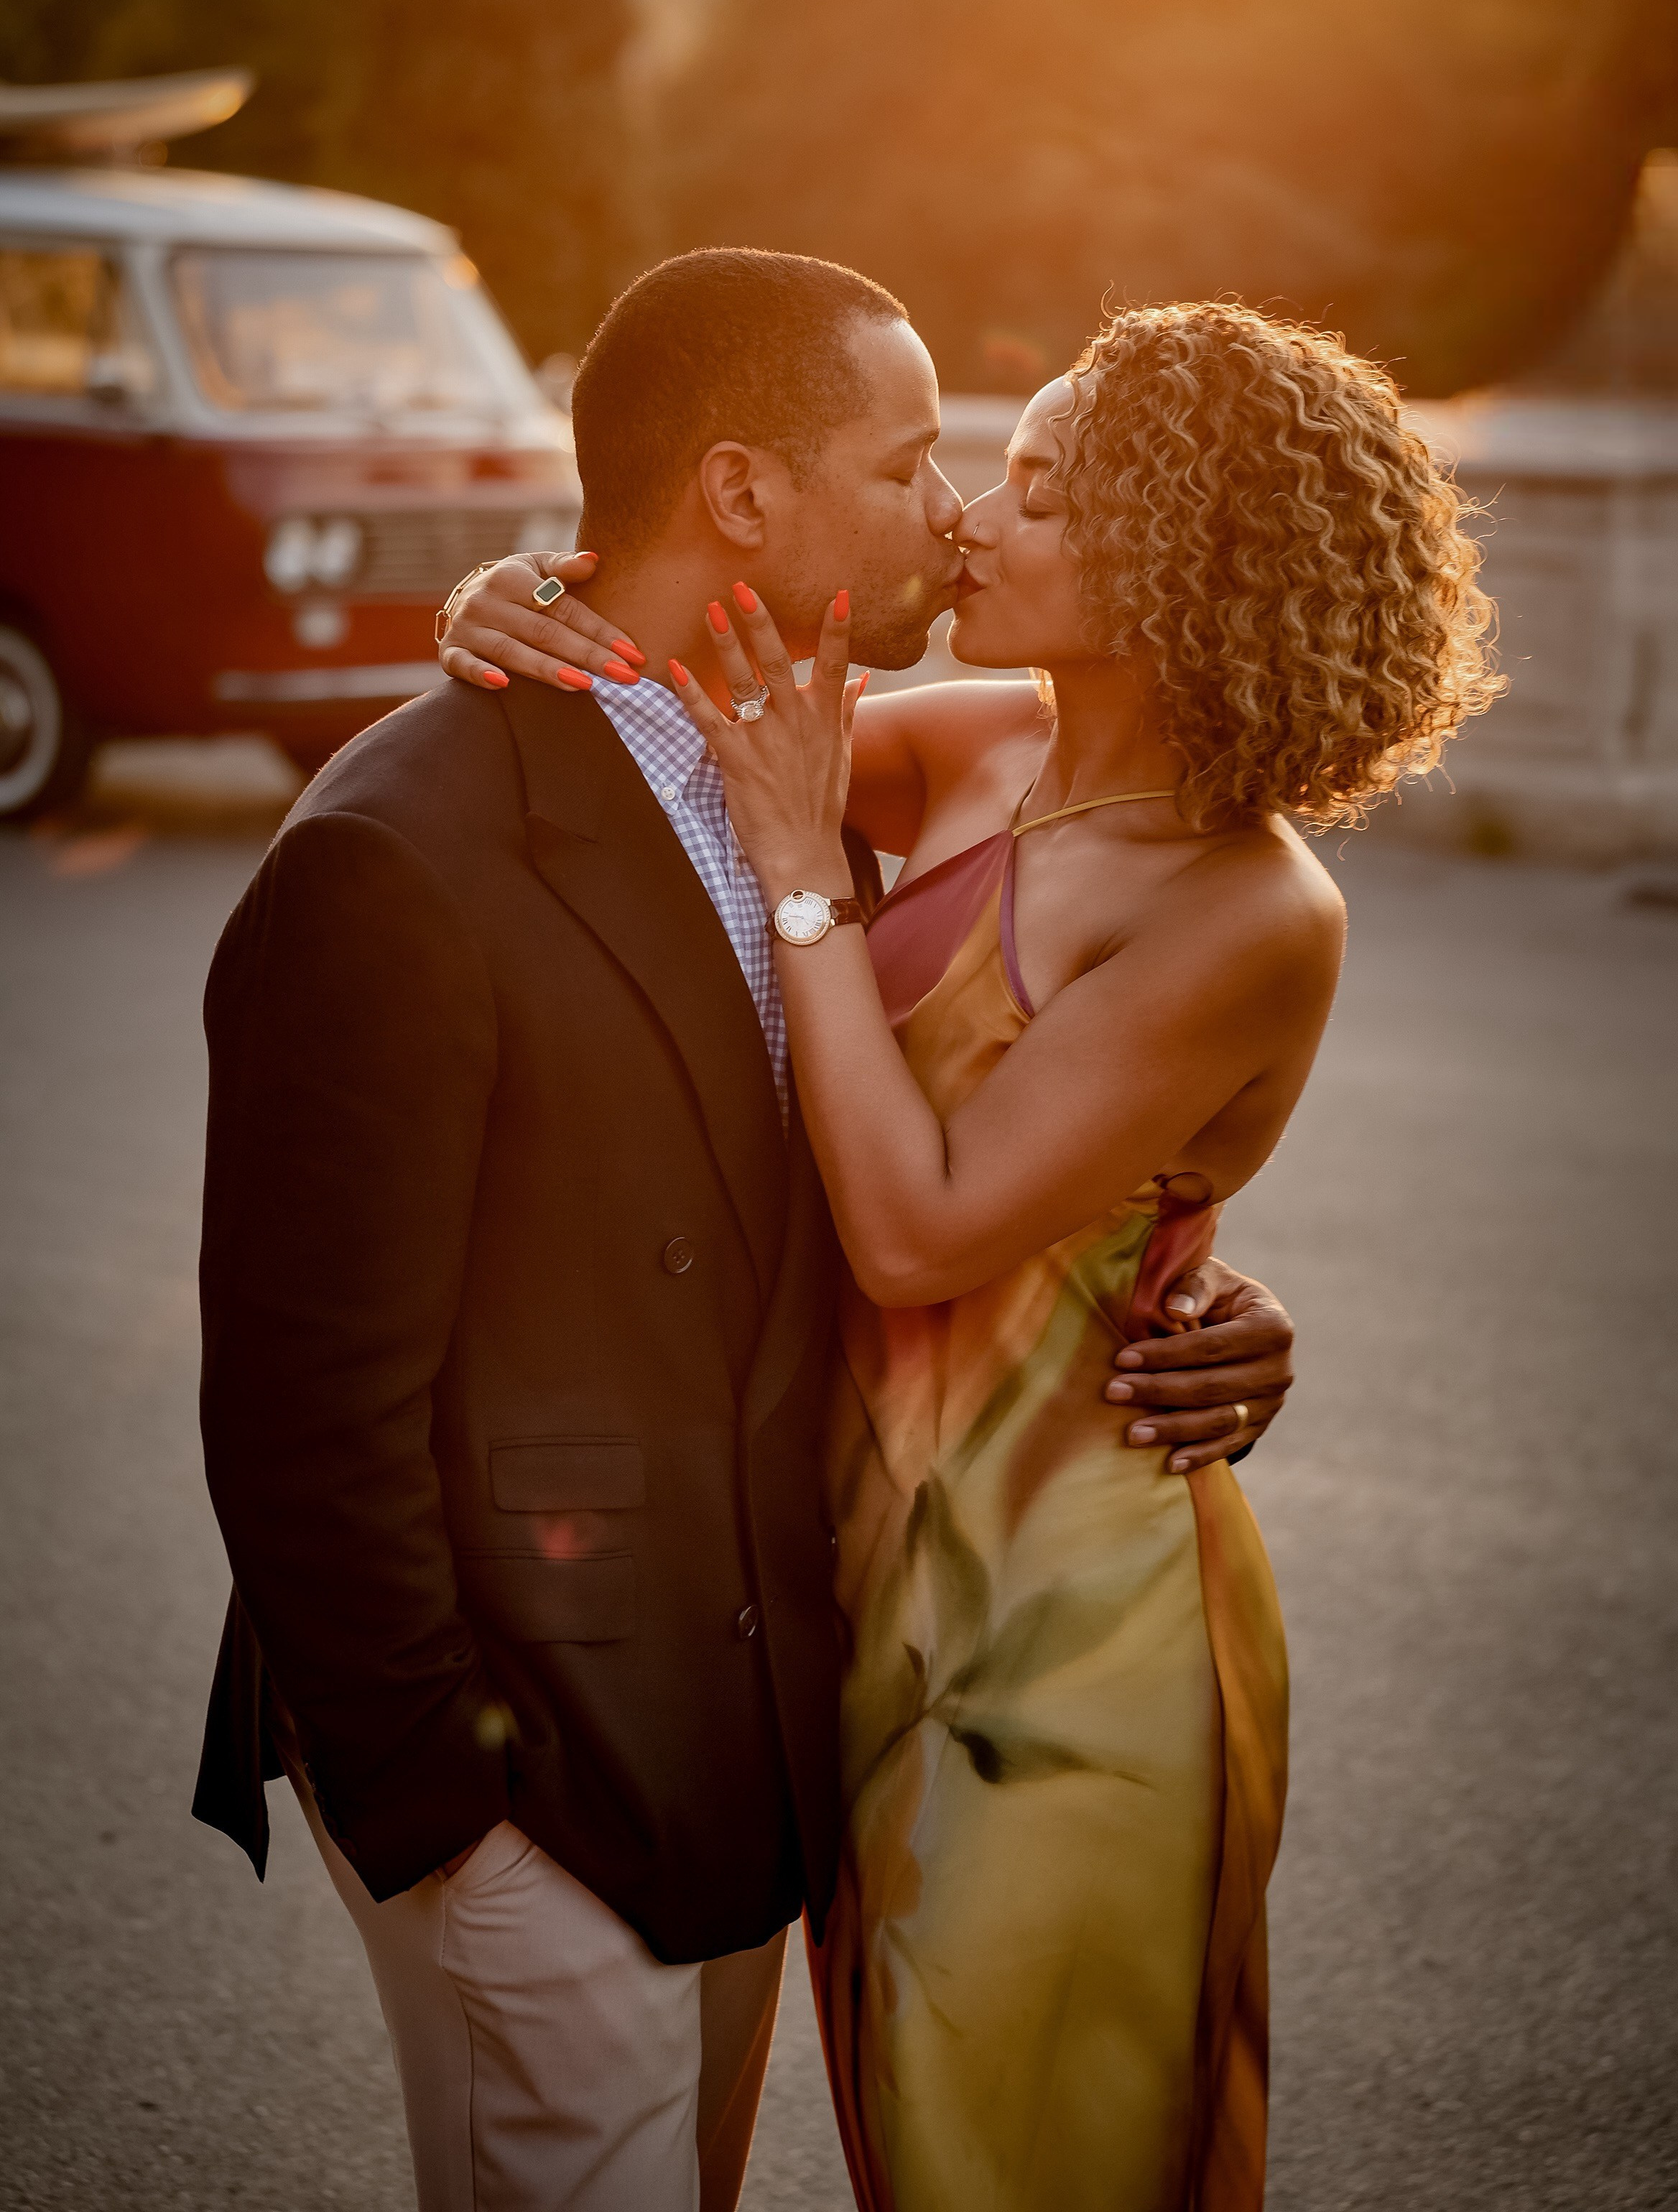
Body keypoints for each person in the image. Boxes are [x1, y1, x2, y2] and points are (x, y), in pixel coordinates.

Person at [193, 251, 1297, 2212]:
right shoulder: (406, 854)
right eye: (913, 461)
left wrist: (1181, 1277)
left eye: (1000, 476)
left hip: (778, 1709)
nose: (953, 512)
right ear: (741, 493)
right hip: (534, 1765)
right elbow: (300, 1393)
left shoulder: (828, 768)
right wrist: (443, 1808)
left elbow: (934, 1156)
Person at [440, 295, 1501, 2210]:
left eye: (1037, 492)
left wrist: (802, 876)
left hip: (1065, 1628)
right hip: (855, 1589)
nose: (970, 523)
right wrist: (505, 593)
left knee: (1014, 2164)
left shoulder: (1250, 908)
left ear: (1180, 563)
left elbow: (918, 1234)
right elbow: (669, 690)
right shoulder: (982, 749)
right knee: (900, 2138)